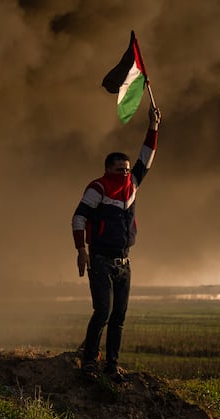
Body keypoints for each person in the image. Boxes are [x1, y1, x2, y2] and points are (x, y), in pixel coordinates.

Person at [71, 102, 162, 382]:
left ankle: (112, 365)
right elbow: (78, 218)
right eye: (119, 169)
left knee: (119, 317)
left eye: (125, 168)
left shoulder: (131, 185)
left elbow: (146, 158)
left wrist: (153, 126)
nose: (124, 172)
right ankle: (89, 361)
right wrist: (81, 252)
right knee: (103, 312)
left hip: (124, 262)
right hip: (100, 259)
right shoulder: (97, 188)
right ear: (107, 168)